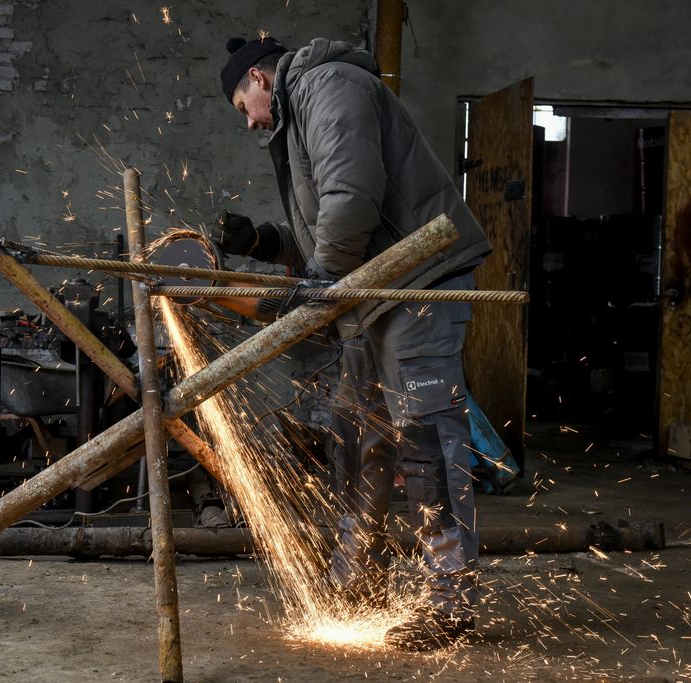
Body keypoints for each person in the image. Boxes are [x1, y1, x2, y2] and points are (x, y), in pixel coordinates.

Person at [211, 35, 493, 650]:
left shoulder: (329, 86)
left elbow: (353, 198)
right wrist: (260, 241)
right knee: (358, 433)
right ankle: (355, 583)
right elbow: (326, 228)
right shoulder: (298, 110)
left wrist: (317, 282)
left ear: (260, 77)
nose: (250, 121)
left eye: (243, 106)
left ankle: (450, 600)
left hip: (419, 285)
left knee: (424, 439)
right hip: (370, 293)